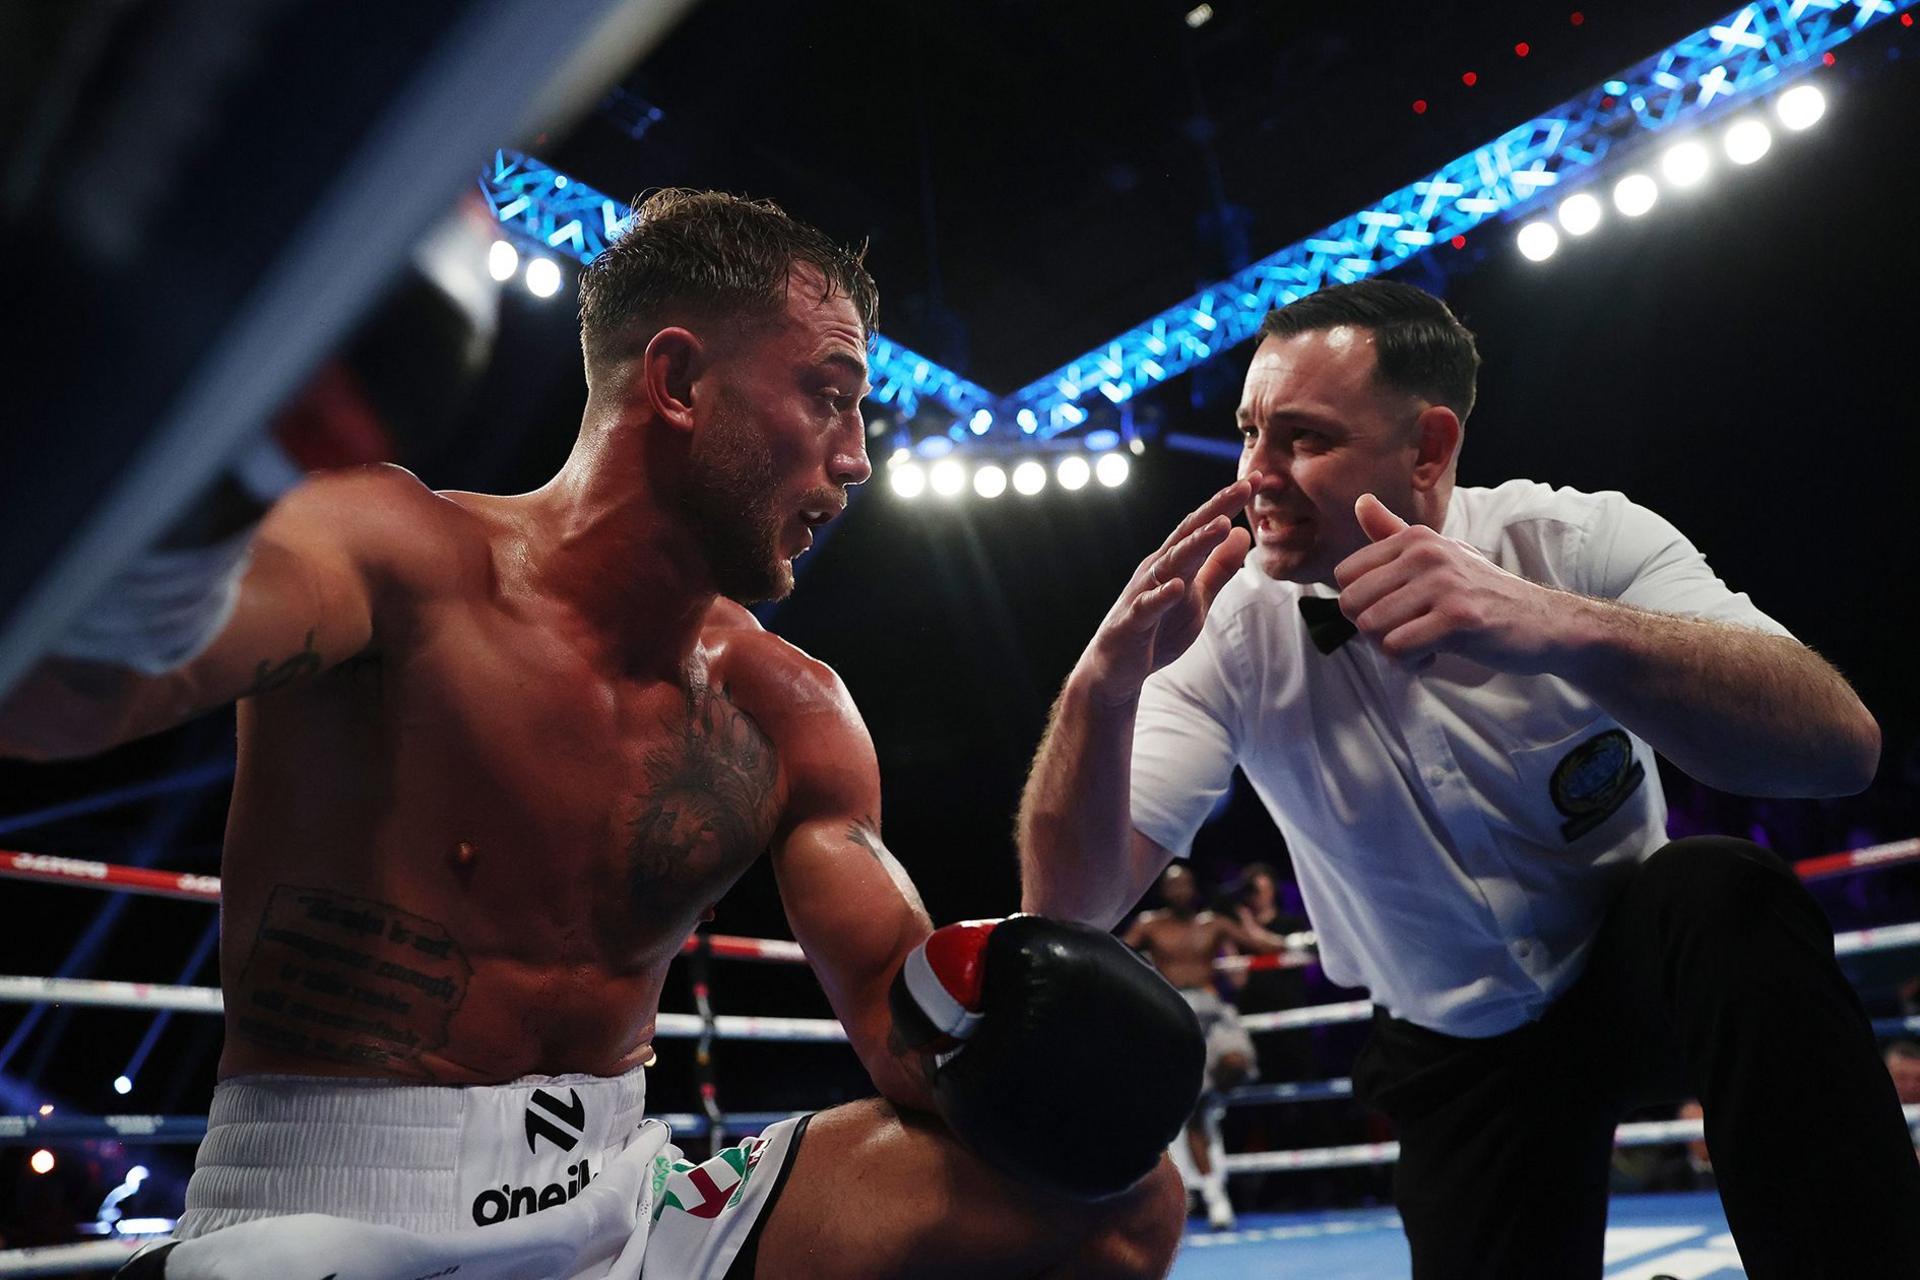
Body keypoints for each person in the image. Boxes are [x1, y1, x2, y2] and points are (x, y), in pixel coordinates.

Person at [0, 190, 1195, 1279]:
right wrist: (212, 474)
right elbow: (63, 697)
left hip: (623, 1200)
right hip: (325, 1206)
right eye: (828, 395)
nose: (857, 457)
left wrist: (1017, 1038)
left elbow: (897, 1009)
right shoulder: (395, 558)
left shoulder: (792, 707)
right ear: (678, 382)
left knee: (1120, 1201)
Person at [1016, 277, 1920, 1278]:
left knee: (1724, 892)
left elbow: (1843, 744)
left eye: (1302, 438)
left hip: (1637, 966)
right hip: (1454, 1045)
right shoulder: (1225, 634)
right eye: (1247, 434)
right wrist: (1098, 690)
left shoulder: (1575, 544)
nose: (1252, 476)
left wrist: (1565, 629)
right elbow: (1069, 905)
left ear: (1430, 448)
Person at [1121, 864, 1285, 1229]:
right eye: (1172, 885)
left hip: (1213, 1009)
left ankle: (1214, 1100)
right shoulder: (1150, 924)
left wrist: (1299, 944)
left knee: (1237, 1062)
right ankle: (1215, 1198)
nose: (1179, 891)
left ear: (1194, 888)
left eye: (1185, 884)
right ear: (1164, 891)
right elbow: (1116, 955)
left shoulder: (1213, 923)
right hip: (1175, 1012)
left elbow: (1257, 942)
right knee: (1193, 1111)